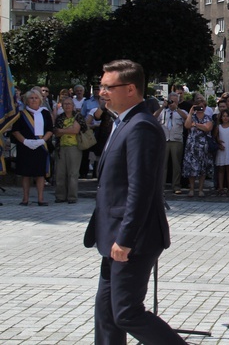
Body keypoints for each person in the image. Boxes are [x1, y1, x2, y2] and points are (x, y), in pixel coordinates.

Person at [83, 59, 186, 344]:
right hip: (112, 234)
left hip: (133, 239)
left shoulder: (141, 126)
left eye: (107, 87)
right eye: (100, 86)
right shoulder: (122, 122)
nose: (101, 92)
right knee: (106, 315)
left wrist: (125, 239)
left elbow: (139, 190)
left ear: (130, 88)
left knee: (127, 313)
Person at [11, 89, 53, 206]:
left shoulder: (45, 113)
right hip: (25, 147)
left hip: (40, 146)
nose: (34, 100)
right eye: (31, 98)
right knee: (26, 174)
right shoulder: (21, 114)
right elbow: (15, 131)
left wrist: (42, 140)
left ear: (40, 100)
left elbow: (50, 129)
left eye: (36, 98)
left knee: (40, 174)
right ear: (26, 100)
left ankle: (40, 198)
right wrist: (25, 141)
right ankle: (25, 199)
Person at [53, 97, 87, 204]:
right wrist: (68, 130)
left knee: (73, 173)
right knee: (60, 173)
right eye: (65, 104)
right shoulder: (59, 117)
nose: (67, 106)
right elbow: (56, 132)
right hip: (61, 147)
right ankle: (60, 196)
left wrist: (62, 130)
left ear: (73, 106)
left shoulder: (78, 116)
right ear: (62, 106)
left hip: (75, 147)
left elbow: (75, 130)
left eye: (69, 104)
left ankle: (72, 197)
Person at [154, 93, 188, 194]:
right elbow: (153, 117)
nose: (172, 103)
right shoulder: (163, 111)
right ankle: (161, 186)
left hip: (176, 140)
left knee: (176, 164)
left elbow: (186, 118)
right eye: (171, 101)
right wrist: (162, 107)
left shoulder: (181, 111)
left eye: (174, 101)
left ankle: (176, 186)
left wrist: (176, 108)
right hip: (164, 140)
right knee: (162, 164)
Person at [183, 102, 213, 197]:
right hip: (192, 145)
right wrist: (190, 113)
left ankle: (200, 189)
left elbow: (207, 128)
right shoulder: (192, 116)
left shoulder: (207, 117)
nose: (200, 108)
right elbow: (187, 125)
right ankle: (191, 188)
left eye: (202, 107)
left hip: (203, 145)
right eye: (198, 107)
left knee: (203, 168)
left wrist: (195, 124)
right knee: (191, 167)